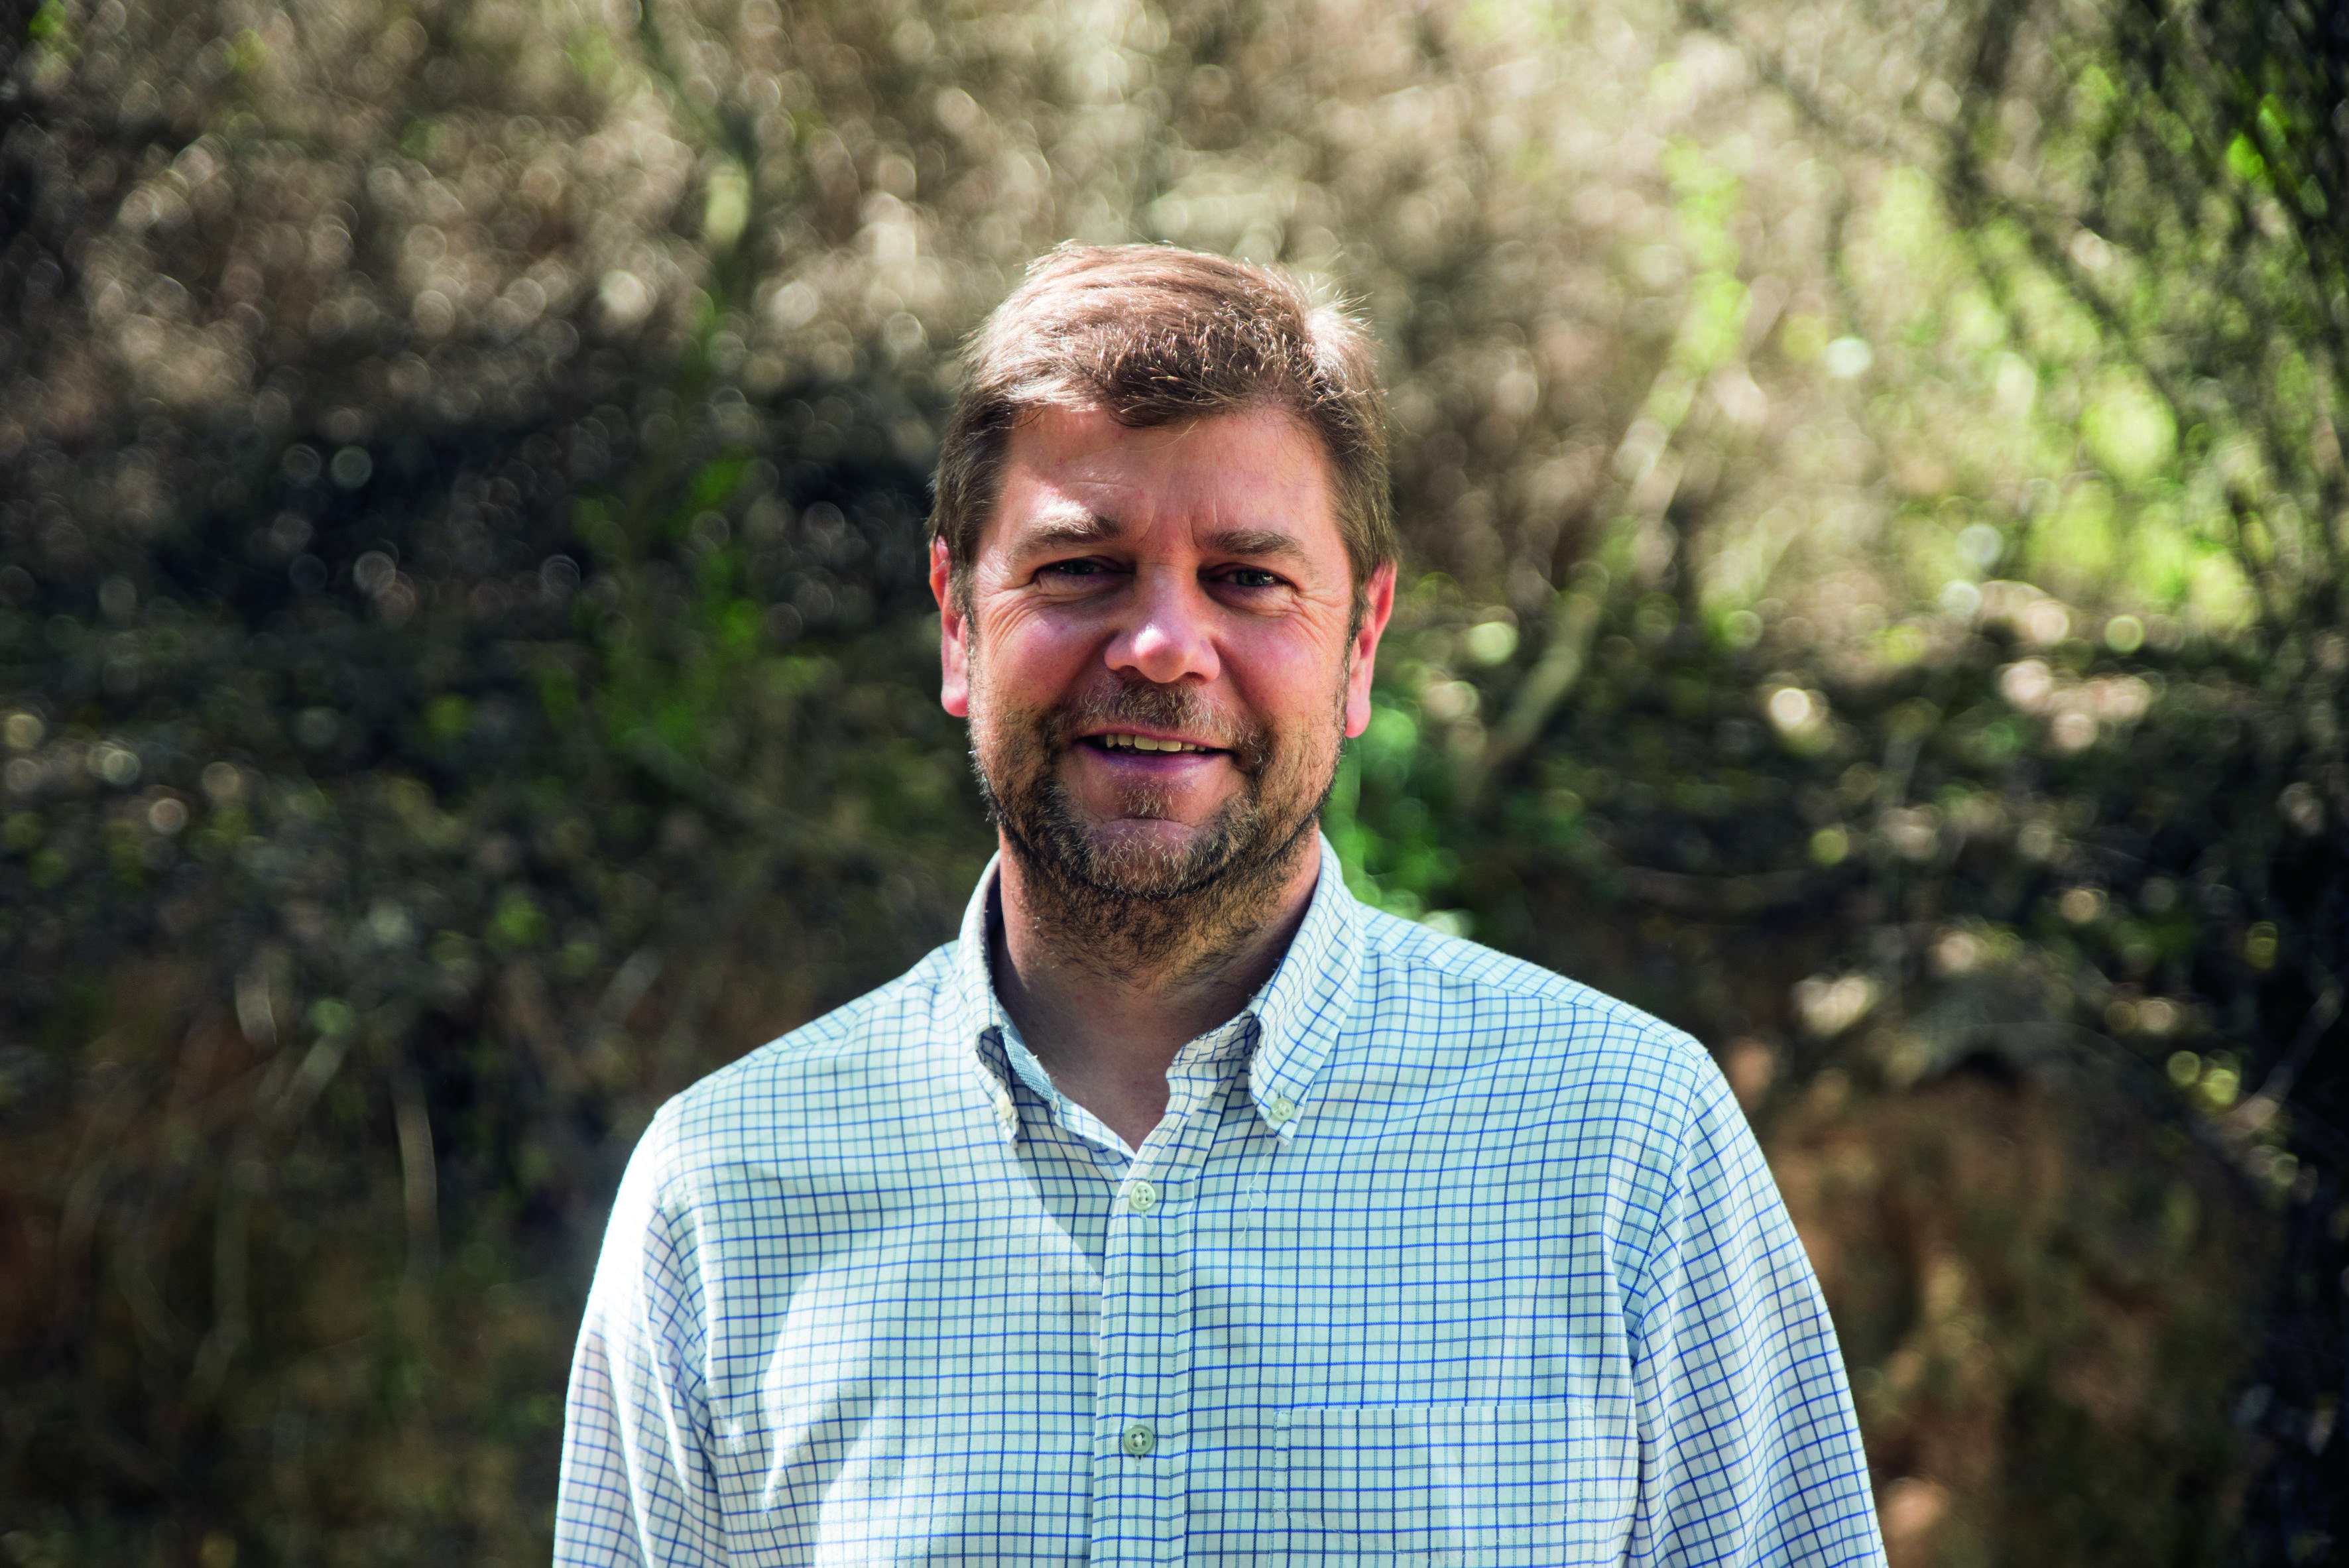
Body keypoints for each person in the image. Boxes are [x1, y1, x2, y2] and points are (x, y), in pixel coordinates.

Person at [556, 244, 1889, 1567]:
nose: (1160, 646)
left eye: (1247, 579)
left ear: (1359, 646)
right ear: (958, 622)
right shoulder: (722, 1193)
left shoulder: (1627, 1150)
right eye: (1081, 567)